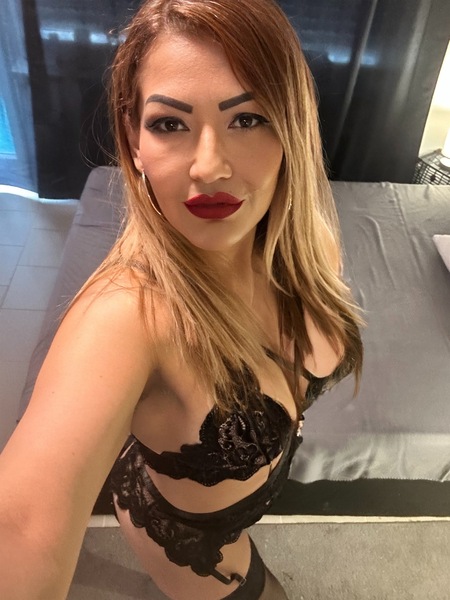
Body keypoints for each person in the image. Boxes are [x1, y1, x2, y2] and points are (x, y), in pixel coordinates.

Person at [0, 0, 363, 598]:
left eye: (248, 119)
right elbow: (19, 529)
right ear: (133, 139)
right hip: (189, 539)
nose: (209, 167)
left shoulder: (305, 246)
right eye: (170, 124)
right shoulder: (125, 315)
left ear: (292, 126)